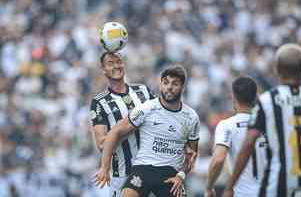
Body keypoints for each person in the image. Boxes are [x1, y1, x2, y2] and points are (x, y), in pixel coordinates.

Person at [94, 65, 200, 197]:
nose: (169, 87)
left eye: (175, 84)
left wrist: (181, 176)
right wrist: (104, 167)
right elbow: (115, 132)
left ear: (183, 87)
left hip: (170, 173)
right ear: (160, 84)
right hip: (143, 169)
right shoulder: (147, 109)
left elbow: (192, 155)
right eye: (165, 82)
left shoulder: (191, 117)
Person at [223, 43, 301, 197]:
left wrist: (230, 185)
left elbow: (249, 142)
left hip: (278, 186)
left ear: (277, 70)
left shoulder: (267, 101)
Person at [90, 51, 154, 197]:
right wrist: (130, 125)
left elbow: (160, 118)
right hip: (122, 175)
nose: (116, 66)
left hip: (150, 170)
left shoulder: (142, 91)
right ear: (103, 70)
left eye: (118, 62)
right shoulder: (99, 102)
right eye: (110, 63)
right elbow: (101, 144)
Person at [204, 76, 266, 197]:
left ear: (233, 97)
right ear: (255, 97)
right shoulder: (268, 125)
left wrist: (209, 187)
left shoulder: (226, 125)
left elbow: (218, 160)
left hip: (243, 193)